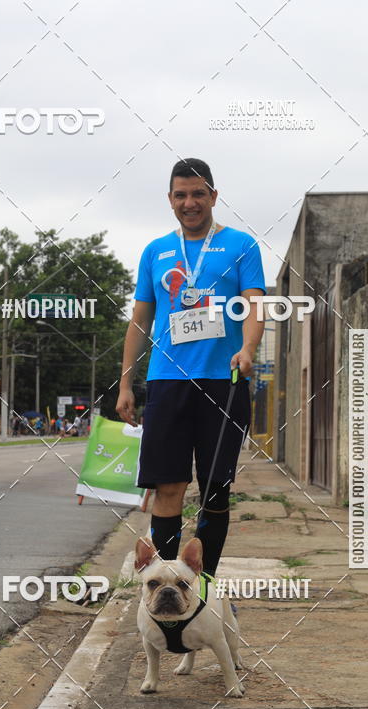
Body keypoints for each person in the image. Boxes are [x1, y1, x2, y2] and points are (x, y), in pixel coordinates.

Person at [116, 157, 265, 577]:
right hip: (167, 383)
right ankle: (164, 584)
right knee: (168, 487)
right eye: (181, 195)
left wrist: (249, 347)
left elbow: (255, 305)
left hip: (224, 382)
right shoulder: (156, 251)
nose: (190, 202)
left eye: (198, 193)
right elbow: (140, 320)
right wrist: (126, 384)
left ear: (213, 196)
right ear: (170, 199)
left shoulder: (241, 246)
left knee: (215, 491)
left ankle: (204, 588)